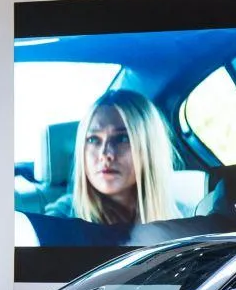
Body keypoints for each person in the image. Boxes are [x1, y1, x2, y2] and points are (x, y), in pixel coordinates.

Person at [45, 89, 186, 226]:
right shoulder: (62, 218)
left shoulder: (178, 222)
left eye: (123, 138)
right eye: (93, 139)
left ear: (150, 148)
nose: (105, 154)